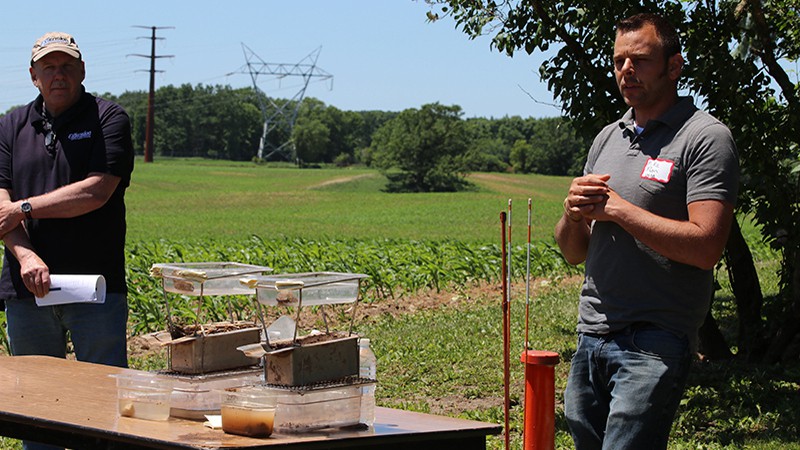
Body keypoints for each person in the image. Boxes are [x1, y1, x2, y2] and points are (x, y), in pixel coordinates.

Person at [554, 13, 739, 449]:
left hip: (654, 340)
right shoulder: (607, 138)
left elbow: (707, 247)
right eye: (618, 61)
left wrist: (621, 211)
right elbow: (573, 252)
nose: (626, 71)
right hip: (592, 333)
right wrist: (572, 213)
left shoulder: (705, 137)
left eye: (639, 59)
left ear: (674, 66)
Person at [0, 32, 134, 450]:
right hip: (28, 290)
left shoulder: (109, 118)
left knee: (105, 404)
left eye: (67, 66)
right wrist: (25, 256)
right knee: (38, 408)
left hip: (95, 289)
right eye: (49, 67)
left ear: (82, 71)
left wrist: (24, 208)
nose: (58, 75)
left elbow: (96, 191)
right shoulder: (10, 124)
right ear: (33, 75)